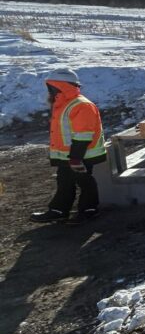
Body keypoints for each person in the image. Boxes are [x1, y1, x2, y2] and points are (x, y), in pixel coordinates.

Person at [31, 69, 107, 223]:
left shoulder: (81, 105)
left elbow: (84, 134)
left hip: (81, 155)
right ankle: (59, 210)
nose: (49, 91)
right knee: (65, 181)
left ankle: (89, 210)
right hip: (70, 155)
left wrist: (75, 157)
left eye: (50, 87)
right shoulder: (64, 104)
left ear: (59, 86)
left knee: (84, 181)